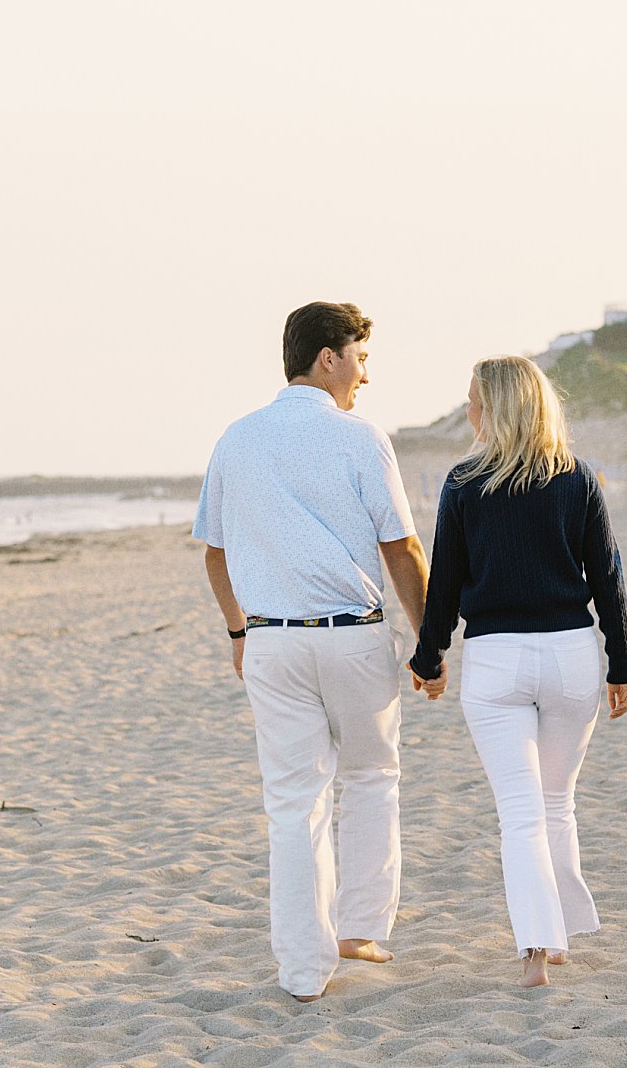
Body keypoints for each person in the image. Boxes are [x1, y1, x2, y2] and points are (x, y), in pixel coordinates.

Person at [193, 301, 432, 1002]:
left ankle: (303, 969)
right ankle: (358, 926)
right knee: (372, 776)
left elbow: (215, 551)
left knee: (294, 802)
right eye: (359, 357)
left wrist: (239, 630)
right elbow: (402, 546)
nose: (364, 374)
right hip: (353, 633)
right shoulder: (360, 436)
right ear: (327, 357)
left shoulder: (237, 438)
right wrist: (428, 642)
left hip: (271, 641)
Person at [406, 354, 627, 989]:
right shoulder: (577, 479)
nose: (469, 413)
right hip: (569, 655)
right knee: (556, 803)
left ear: (497, 409)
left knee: (521, 813)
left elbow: (444, 586)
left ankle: (538, 948)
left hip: (497, 659)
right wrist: (622, 663)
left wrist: (428, 660)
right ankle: (555, 938)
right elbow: (607, 577)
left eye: (474, 402)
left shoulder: (463, 484)